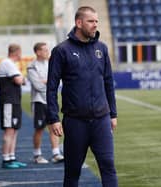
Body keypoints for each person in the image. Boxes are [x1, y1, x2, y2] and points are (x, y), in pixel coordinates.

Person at [46, 6, 118, 187]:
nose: (95, 25)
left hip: (101, 120)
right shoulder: (61, 51)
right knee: (73, 171)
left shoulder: (101, 48)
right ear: (79, 23)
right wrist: (53, 118)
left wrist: (113, 114)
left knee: (108, 166)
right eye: (91, 21)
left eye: (96, 21)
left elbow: (108, 82)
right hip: (75, 122)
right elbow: (52, 87)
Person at [27, 42, 64, 164]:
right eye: (44, 50)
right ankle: (37, 155)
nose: (47, 52)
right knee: (40, 129)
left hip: (51, 100)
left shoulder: (51, 63)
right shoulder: (32, 66)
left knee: (54, 126)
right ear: (38, 52)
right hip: (39, 101)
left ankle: (56, 153)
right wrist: (49, 83)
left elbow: (58, 82)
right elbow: (38, 86)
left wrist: (46, 82)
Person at [0, 44, 27, 169]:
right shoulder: (7, 63)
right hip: (8, 102)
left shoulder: (11, 64)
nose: (21, 55)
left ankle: (11, 157)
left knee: (14, 130)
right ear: (17, 52)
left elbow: (22, 80)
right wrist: (22, 78)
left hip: (14, 101)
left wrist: (22, 79)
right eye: (20, 52)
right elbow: (20, 80)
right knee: (9, 131)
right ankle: (6, 159)